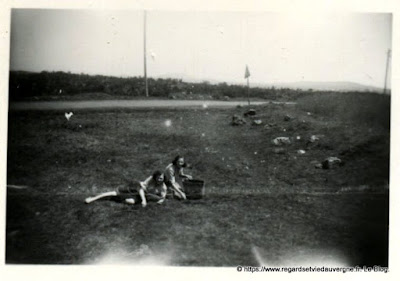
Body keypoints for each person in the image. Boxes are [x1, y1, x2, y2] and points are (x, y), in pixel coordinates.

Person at [84, 171, 167, 207]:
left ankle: (117, 199)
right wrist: (144, 200)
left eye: (162, 178)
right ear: (155, 177)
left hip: (139, 195)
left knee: (130, 202)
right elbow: (141, 188)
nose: (161, 179)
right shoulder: (151, 179)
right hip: (136, 189)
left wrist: (161, 200)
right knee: (113, 193)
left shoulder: (163, 186)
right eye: (159, 178)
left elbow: (163, 196)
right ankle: (92, 199)